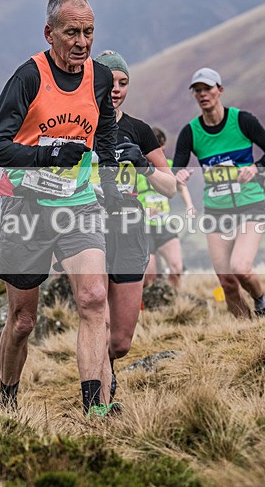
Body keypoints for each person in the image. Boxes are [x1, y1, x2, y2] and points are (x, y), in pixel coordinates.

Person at [0, 0, 124, 417]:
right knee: (23, 321)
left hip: (78, 204)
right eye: (71, 32)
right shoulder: (28, 78)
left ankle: (95, 410)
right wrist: (49, 154)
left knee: (94, 298)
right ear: (49, 33)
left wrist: (112, 181)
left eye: (89, 32)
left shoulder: (100, 78)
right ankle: (8, 398)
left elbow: (105, 135)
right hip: (25, 207)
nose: (82, 42)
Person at [93, 50, 176, 406]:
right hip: (89, 233)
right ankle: (97, 397)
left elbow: (170, 187)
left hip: (130, 234)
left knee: (121, 342)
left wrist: (143, 164)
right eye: (109, 82)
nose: (116, 89)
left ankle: (107, 366)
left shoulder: (139, 130)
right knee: (97, 321)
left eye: (123, 83)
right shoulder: (79, 128)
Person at [174, 67, 265, 318]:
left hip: (249, 203)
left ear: (219, 90)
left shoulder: (242, 121)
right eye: (197, 90)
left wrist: (255, 168)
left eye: (207, 89)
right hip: (216, 210)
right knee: (228, 283)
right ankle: (247, 331)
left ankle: (261, 305)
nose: (203, 94)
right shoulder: (191, 132)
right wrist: (179, 176)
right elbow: (176, 170)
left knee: (240, 268)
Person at [138, 127, 193, 290]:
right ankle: (149, 300)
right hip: (143, 227)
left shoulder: (169, 165)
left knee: (176, 268)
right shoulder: (137, 168)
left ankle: (172, 298)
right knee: (149, 277)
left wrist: (189, 205)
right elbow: (126, 195)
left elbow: (180, 186)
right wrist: (143, 211)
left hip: (164, 224)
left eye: (161, 147)